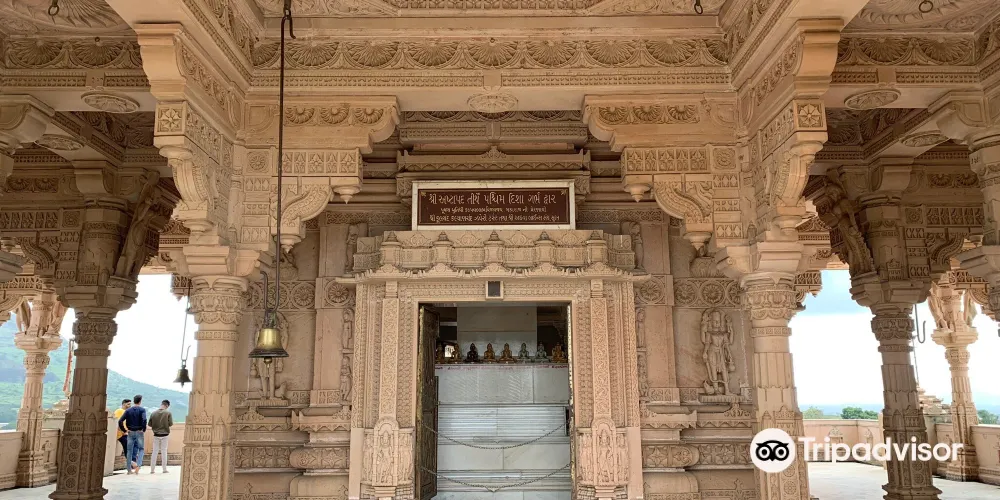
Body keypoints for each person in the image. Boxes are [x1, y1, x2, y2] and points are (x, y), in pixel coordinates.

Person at [118, 394, 147, 474]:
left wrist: (125, 430)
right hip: (139, 432)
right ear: (140, 401)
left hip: (130, 432)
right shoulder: (142, 410)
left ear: (134, 401)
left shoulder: (128, 411)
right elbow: (144, 420)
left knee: (129, 450)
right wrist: (143, 429)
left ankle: (129, 470)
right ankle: (138, 465)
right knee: (141, 449)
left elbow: (120, 421)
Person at [148, 400, 173, 474]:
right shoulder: (168, 413)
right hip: (165, 435)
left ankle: (152, 470)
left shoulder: (153, 413)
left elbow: (149, 424)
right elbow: (171, 424)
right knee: (164, 451)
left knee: (154, 452)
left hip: (156, 435)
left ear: (161, 404)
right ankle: (164, 469)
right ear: (167, 406)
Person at [112, 399, 131, 467]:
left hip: (125, 433)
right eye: (128, 404)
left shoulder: (126, 412)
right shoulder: (119, 411)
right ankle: (130, 464)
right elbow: (118, 422)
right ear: (123, 404)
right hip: (121, 434)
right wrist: (123, 431)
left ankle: (131, 464)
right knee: (127, 449)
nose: (129, 405)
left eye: (130, 404)